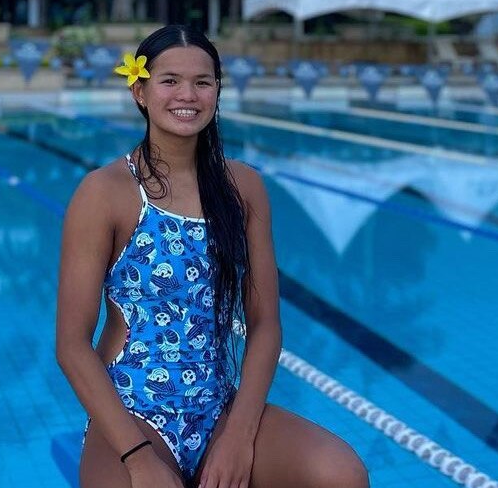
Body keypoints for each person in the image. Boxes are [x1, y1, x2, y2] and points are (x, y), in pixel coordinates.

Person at [56, 25, 369, 488]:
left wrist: (239, 435)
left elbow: (264, 324)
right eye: (170, 81)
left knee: (341, 474)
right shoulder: (105, 193)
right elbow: (71, 345)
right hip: (131, 413)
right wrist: (138, 459)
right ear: (141, 91)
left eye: (203, 82)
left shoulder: (242, 187)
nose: (188, 94)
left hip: (218, 406)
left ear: (217, 91)